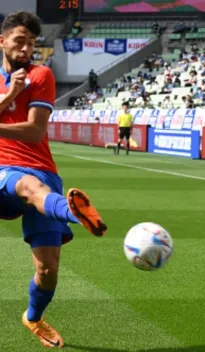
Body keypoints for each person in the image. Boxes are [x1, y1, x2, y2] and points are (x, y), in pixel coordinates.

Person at [0, 11, 107, 348]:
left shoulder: (41, 74)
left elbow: (35, 132)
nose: (26, 48)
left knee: (48, 270)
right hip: (5, 169)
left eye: (31, 42)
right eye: (20, 40)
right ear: (2, 41)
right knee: (27, 187)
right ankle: (75, 213)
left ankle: (33, 316)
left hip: (43, 171)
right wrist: (8, 96)